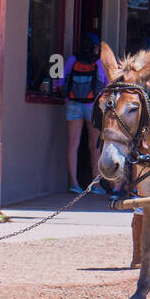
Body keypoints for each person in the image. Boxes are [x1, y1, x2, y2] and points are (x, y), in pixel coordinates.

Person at [58, 33, 108, 194]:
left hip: (73, 103)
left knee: (73, 144)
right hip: (92, 106)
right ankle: (96, 185)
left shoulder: (72, 60)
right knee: (95, 146)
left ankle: (74, 183)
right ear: (95, 48)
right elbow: (106, 86)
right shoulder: (99, 63)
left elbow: (60, 83)